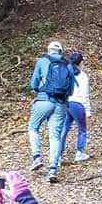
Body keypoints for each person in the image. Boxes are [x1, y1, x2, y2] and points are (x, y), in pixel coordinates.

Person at [28, 40, 75, 183]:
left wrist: (41, 90)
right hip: (60, 104)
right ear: (61, 51)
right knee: (55, 136)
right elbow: (71, 90)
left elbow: (33, 84)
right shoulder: (68, 65)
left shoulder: (42, 61)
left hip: (43, 100)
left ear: (49, 50)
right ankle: (53, 169)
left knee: (33, 127)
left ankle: (37, 157)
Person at [60, 52, 91, 162]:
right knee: (82, 129)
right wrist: (88, 110)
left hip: (67, 103)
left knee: (64, 129)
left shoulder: (67, 73)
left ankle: (58, 154)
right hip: (78, 104)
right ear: (80, 63)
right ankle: (79, 153)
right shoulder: (83, 76)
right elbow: (85, 95)